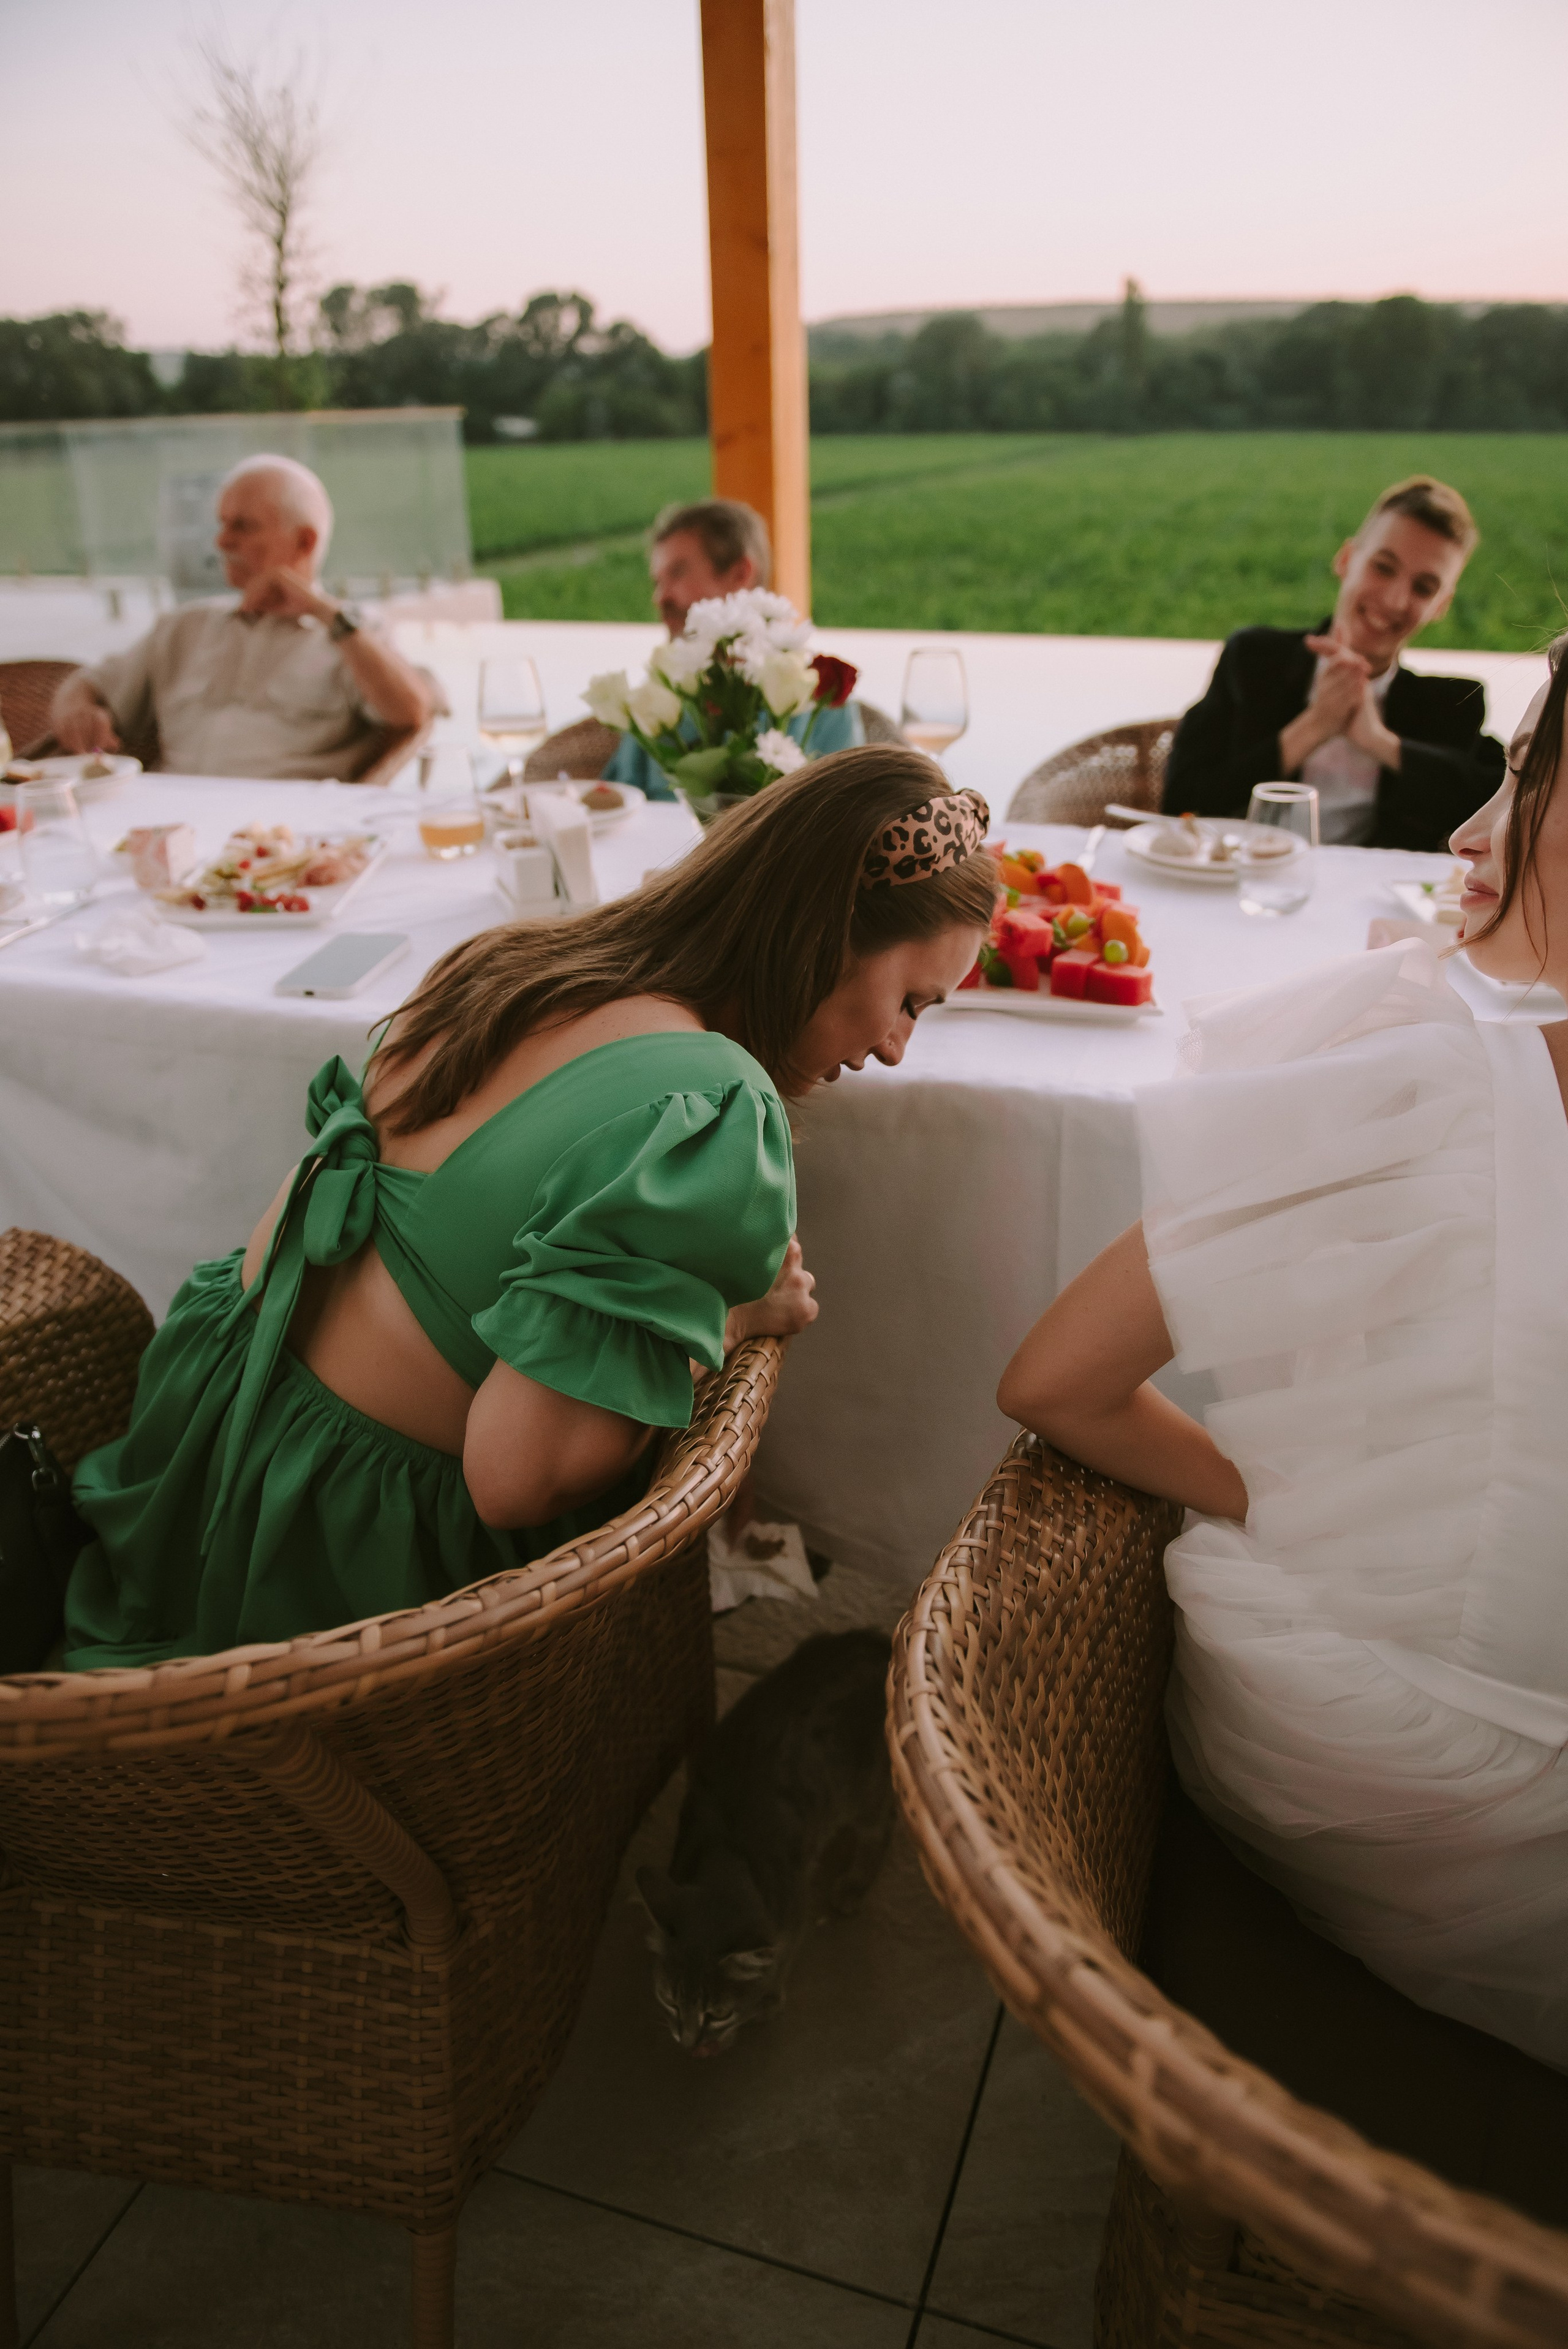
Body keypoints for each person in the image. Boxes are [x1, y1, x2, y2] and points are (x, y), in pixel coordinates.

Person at [61, 749, 996, 1669]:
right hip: (336, 1571)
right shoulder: (710, 1110)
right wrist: (735, 1314)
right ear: (824, 935)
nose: (897, 1048)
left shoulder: (516, 962)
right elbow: (514, 1479)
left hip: (206, 1432)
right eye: (911, 1000)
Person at [1000, 636, 1568, 2070]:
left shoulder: (1414, 1055)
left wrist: (1272, 1489)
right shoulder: (1445, 1051)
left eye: (1514, 773)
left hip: (1429, 1742)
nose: (1461, 831)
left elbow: (1054, 1379)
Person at [1163, 475, 1504, 850]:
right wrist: (1315, 725)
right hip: (1246, 887)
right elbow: (1180, 802)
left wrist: (1379, 741)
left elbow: (1502, 807)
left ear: (1440, 605)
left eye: (1423, 588)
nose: (1394, 600)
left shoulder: (1451, 705)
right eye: (1383, 567)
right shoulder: (1254, 659)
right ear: (1346, 560)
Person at [50, 455, 439, 780]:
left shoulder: (352, 634)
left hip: (282, 836)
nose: (221, 541)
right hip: (168, 824)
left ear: (305, 542)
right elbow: (86, 684)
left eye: (242, 526)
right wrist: (78, 709)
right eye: (221, 525)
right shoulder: (185, 627)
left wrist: (325, 612)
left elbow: (410, 712)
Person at [600, 499, 861, 802]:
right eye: (658, 581)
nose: (661, 597)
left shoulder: (820, 699)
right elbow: (614, 802)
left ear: (740, 573)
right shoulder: (658, 696)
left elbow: (848, 819)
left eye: (678, 573)